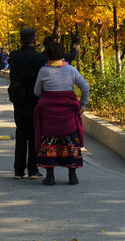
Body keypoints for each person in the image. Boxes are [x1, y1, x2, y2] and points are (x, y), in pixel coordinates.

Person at [33, 40, 90, 185]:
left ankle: (50, 176)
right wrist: (82, 105)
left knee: (49, 144)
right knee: (70, 144)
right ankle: (72, 176)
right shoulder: (71, 70)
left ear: (48, 55)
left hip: (49, 115)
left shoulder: (43, 71)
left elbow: (37, 92)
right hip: (68, 116)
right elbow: (85, 88)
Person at [7, 27, 46, 179]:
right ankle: (33, 169)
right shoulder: (39, 58)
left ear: (21, 40)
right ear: (35, 40)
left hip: (19, 99)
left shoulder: (14, 55)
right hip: (35, 100)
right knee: (34, 134)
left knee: (21, 133)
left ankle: (18, 170)